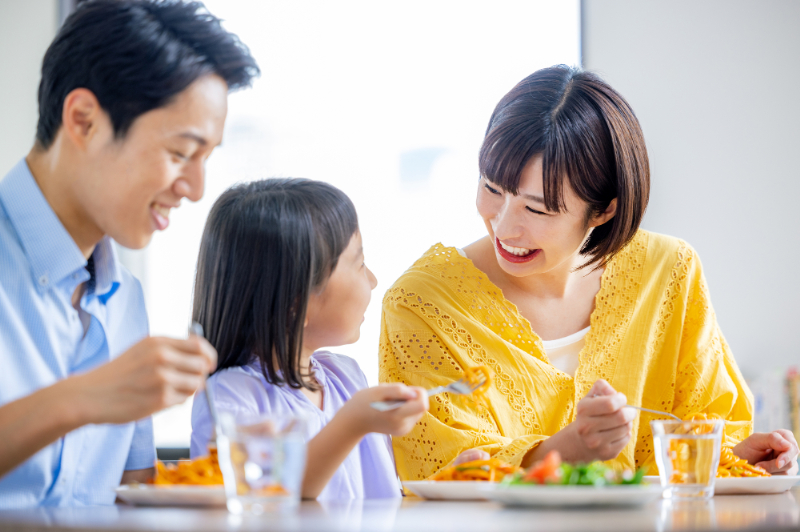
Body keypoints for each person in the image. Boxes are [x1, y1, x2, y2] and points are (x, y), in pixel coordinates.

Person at [379, 65, 799, 480]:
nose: (503, 226)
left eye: (536, 208)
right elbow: (433, 477)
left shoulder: (668, 273)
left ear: (604, 209)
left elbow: (701, 428)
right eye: (492, 188)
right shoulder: (422, 303)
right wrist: (565, 451)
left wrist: (729, 460)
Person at [0, 0, 259, 508]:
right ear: (83, 121)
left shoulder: (125, 300)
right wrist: (83, 398)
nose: (195, 187)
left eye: (207, 158)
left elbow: (133, 490)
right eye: (180, 153)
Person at [190, 179, 429, 500]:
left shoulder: (346, 376)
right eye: (359, 264)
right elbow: (261, 498)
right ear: (295, 303)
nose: (372, 279)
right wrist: (353, 422)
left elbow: (376, 500)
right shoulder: (231, 396)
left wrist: (450, 482)